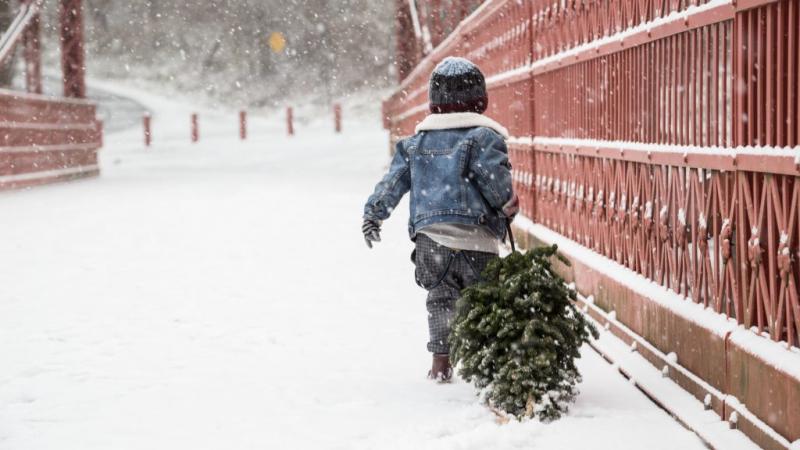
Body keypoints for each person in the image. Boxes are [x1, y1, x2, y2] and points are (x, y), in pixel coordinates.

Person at [362, 57, 518, 382]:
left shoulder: (414, 145)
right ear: (480, 100)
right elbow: (495, 183)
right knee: (483, 302)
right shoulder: (483, 139)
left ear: (434, 104)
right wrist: (506, 205)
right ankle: (484, 366)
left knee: (441, 300)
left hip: (431, 241)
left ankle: (441, 364)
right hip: (477, 239)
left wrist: (374, 213)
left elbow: (392, 183)